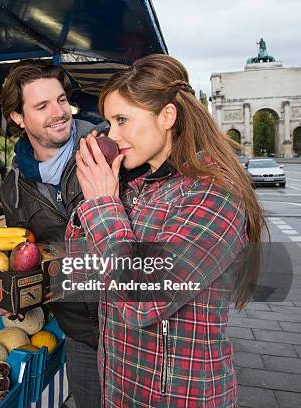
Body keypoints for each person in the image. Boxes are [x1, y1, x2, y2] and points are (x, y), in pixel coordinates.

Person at [66, 54, 262, 406]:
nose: (113, 135)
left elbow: (143, 300)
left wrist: (101, 204)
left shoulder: (213, 193)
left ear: (167, 116)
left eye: (123, 120)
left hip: (178, 397)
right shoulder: (138, 185)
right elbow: (84, 271)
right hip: (120, 389)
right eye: (110, 123)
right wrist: (98, 194)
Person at [0, 59, 104, 407]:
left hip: (136, 330)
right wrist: (11, 292)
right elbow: (29, 259)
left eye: (61, 100)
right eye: (42, 106)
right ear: (18, 117)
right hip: (79, 336)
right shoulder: (13, 189)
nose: (59, 112)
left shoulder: (105, 150)